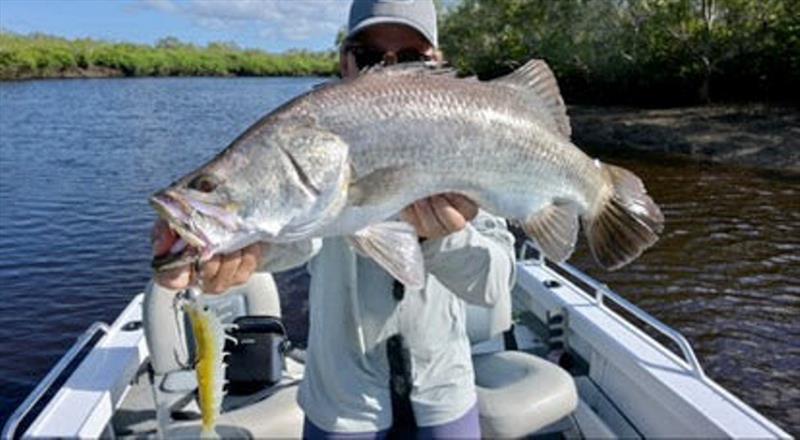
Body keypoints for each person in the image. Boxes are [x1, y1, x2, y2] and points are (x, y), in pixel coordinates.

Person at [151, 1, 515, 438]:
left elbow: (495, 284)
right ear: (345, 60)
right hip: (343, 406)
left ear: (436, 62)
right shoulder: (310, 131)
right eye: (369, 56)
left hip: (444, 393)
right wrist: (207, 256)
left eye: (412, 59)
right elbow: (297, 238)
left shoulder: (478, 132)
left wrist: (441, 239)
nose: (387, 71)